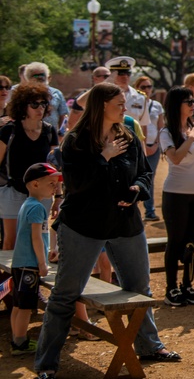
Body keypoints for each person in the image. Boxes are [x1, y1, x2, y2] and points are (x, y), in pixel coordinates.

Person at [34, 83, 179, 379]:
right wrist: (104, 156)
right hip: (83, 225)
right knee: (65, 294)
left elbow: (144, 171)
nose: (124, 107)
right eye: (119, 103)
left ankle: (149, 345)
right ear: (101, 105)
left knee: (140, 290)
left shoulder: (127, 134)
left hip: (125, 223)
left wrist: (138, 189)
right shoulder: (75, 140)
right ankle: (47, 363)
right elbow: (75, 184)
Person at [158, 86, 194, 306]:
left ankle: (187, 285)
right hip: (176, 193)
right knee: (176, 241)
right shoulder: (166, 132)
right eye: (188, 102)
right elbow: (176, 158)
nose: (193, 105)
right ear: (176, 105)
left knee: (193, 242)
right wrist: (189, 140)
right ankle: (171, 289)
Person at [9, 163, 61, 357]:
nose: (55, 188)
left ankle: (16, 339)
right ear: (35, 184)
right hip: (29, 266)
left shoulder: (28, 205)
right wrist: (41, 262)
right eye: (51, 183)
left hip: (20, 263)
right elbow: (36, 237)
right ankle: (20, 343)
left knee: (18, 304)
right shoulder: (37, 208)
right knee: (24, 307)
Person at [0, 82, 59, 249]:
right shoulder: (8, 131)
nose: (40, 108)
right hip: (13, 189)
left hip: (42, 193)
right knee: (10, 241)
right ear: (22, 106)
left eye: (43, 104)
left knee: (38, 239)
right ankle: (10, 275)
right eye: (34, 104)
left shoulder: (49, 131)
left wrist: (59, 196)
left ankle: (33, 274)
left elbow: (54, 167)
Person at [135, 76, 164, 221]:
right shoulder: (134, 103)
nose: (147, 90)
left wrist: (156, 144)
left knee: (149, 178)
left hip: (154, 147)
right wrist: (144, 146)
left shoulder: (157, 105)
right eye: (143, 87)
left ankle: (150, 210)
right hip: (137, 147)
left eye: (149, 87)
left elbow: (161, 127)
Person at [21, 63, 69, 141]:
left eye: (42, 75)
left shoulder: (56, 93)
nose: (40, 77)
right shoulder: (24, 95)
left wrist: (61, 134)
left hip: (51, 135)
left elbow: (64, 116)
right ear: (28, 78)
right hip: (28, 135)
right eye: (36, 76)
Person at [66, 66, 111, 131]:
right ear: (95, 78)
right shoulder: (83, 97)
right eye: (106, 77)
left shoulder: (116, 95)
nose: (109, 79)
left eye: (110, 76)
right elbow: (72, 122)